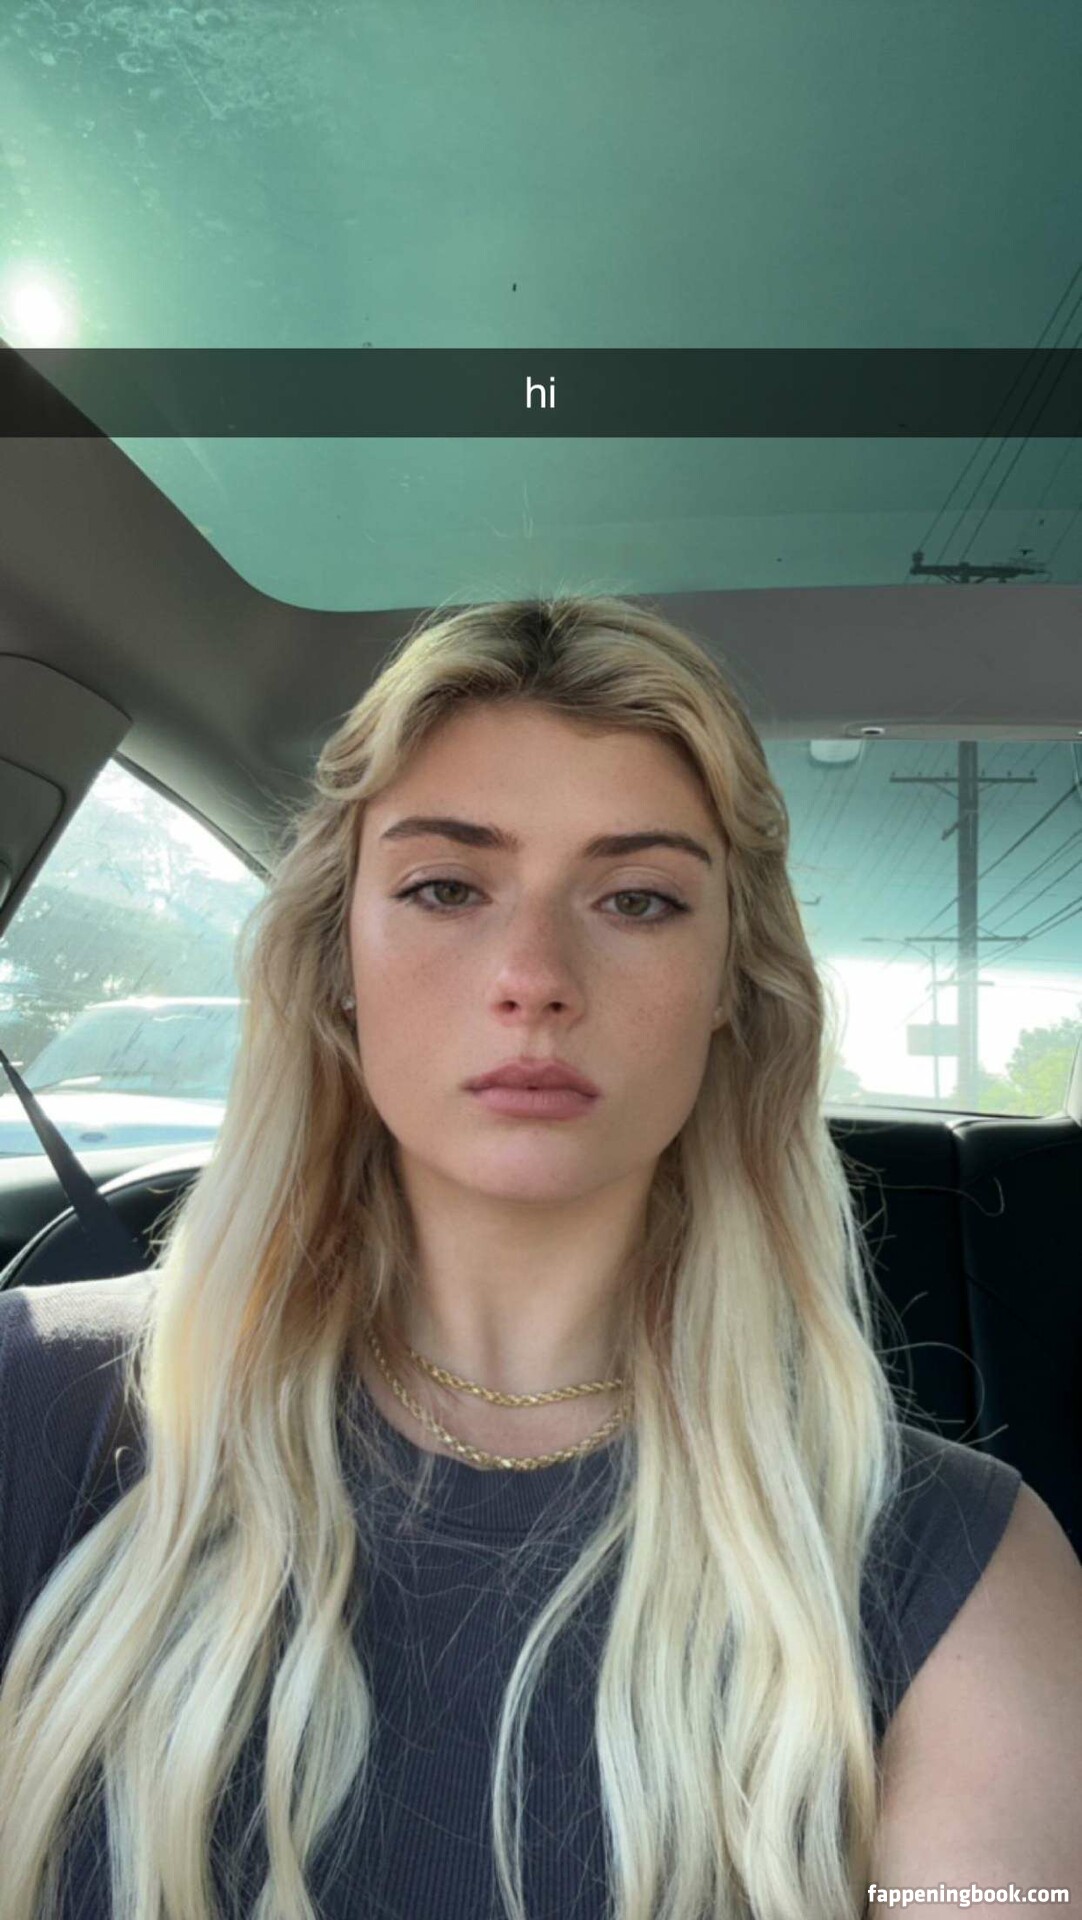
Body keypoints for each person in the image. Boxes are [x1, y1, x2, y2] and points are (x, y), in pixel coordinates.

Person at [0, 595, 1078, 1920]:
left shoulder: (956, 1564)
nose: (533, 974)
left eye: (637, 899)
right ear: (337, 960)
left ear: (731, 984)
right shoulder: (31, 1406)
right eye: (446, 887)